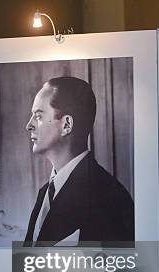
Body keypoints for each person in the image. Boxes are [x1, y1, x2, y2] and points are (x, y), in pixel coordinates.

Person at [24, 77, 134, 246]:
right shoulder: (44, 193)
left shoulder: (110, 198)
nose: (28, 125)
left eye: (38, 116)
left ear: (66, 125)